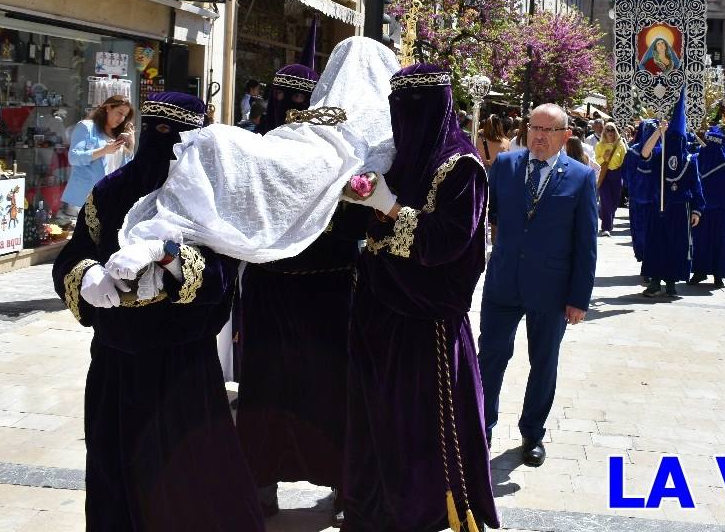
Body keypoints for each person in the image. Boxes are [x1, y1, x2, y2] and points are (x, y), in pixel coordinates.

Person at [52, 93, 263, 532]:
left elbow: (222, 278)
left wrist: (167, 256)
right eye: (155, 132)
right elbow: (74, 253)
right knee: (115, 475)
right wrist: (87, 275)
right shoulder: (110, 191)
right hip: (114, 359)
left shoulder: (209, 197)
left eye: (174, 134)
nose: (161, 144)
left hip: (181, 365)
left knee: (186, 481)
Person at [340, 64, 498, 532]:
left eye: (415, 109)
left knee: (418, 432)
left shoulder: (461, 167)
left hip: (426, 325)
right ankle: (372, 508)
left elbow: (447, 242)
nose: (404, 119)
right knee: (376, 423)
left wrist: (390, 208)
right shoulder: (396, 158)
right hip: (377, 313)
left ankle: (423, 514)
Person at [236, 64, 367, 522]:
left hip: (327, 288)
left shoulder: (341, 153)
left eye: (300, 102)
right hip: (274, 289)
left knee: (331, 388)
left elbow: (357, 222)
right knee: (267, 390)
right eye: (284, 102)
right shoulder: (255, 151)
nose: (292, 112)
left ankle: (342, 485)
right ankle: (260, 484)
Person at [480, 102, 597, 468]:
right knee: (490, 358)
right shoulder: (505, 166)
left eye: (547, 131)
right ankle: (480, 428)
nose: (538, 136)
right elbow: (491, 214)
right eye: (534, 128)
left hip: (551, 289)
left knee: (543, 363)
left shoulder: (580, 177)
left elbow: (586, 244)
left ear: (565, 136)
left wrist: (579, 298)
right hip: (503, 283)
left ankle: (532, 433)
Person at [637, 89, 704, 296]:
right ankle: (655, 281)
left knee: (677, 245)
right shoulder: (659, 154)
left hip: (680, 208)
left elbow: (696, 186)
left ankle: (672, 281)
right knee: (656, 243)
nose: (675, 142)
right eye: (672, 138)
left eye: (678, 138)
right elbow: (644, 153)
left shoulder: (691, 160)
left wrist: (696, 210)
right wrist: (658, 133)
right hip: (660, 205)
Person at [689, 127, 725, 288]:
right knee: (722, 241)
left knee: (701, 240)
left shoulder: (698, 159)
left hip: (702, 209)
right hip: (724, 210)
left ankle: (699, 272)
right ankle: (718, 274)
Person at [61, 95, 133, 219]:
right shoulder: (86, 127)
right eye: (119, 113)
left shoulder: (118, 135)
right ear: (108, 108)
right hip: (84, 199)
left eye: (125, 116)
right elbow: (74, 158)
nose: (121, 119)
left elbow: (125, 170)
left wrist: (131, 146)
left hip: (109, 199)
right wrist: (104, 150)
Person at [594, 122, 627, 236]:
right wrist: (604, 157)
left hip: (617, 174)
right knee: (606, 201)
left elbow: (625, 160)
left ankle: (605, 216)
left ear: (615, 131)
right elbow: (597, 160)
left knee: (615, 202)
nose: (610, 132)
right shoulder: (600, 145)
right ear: (604, 131)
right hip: (605, 174)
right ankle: (606, 228)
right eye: (607, 130)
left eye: (612, 130)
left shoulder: (620, 144)